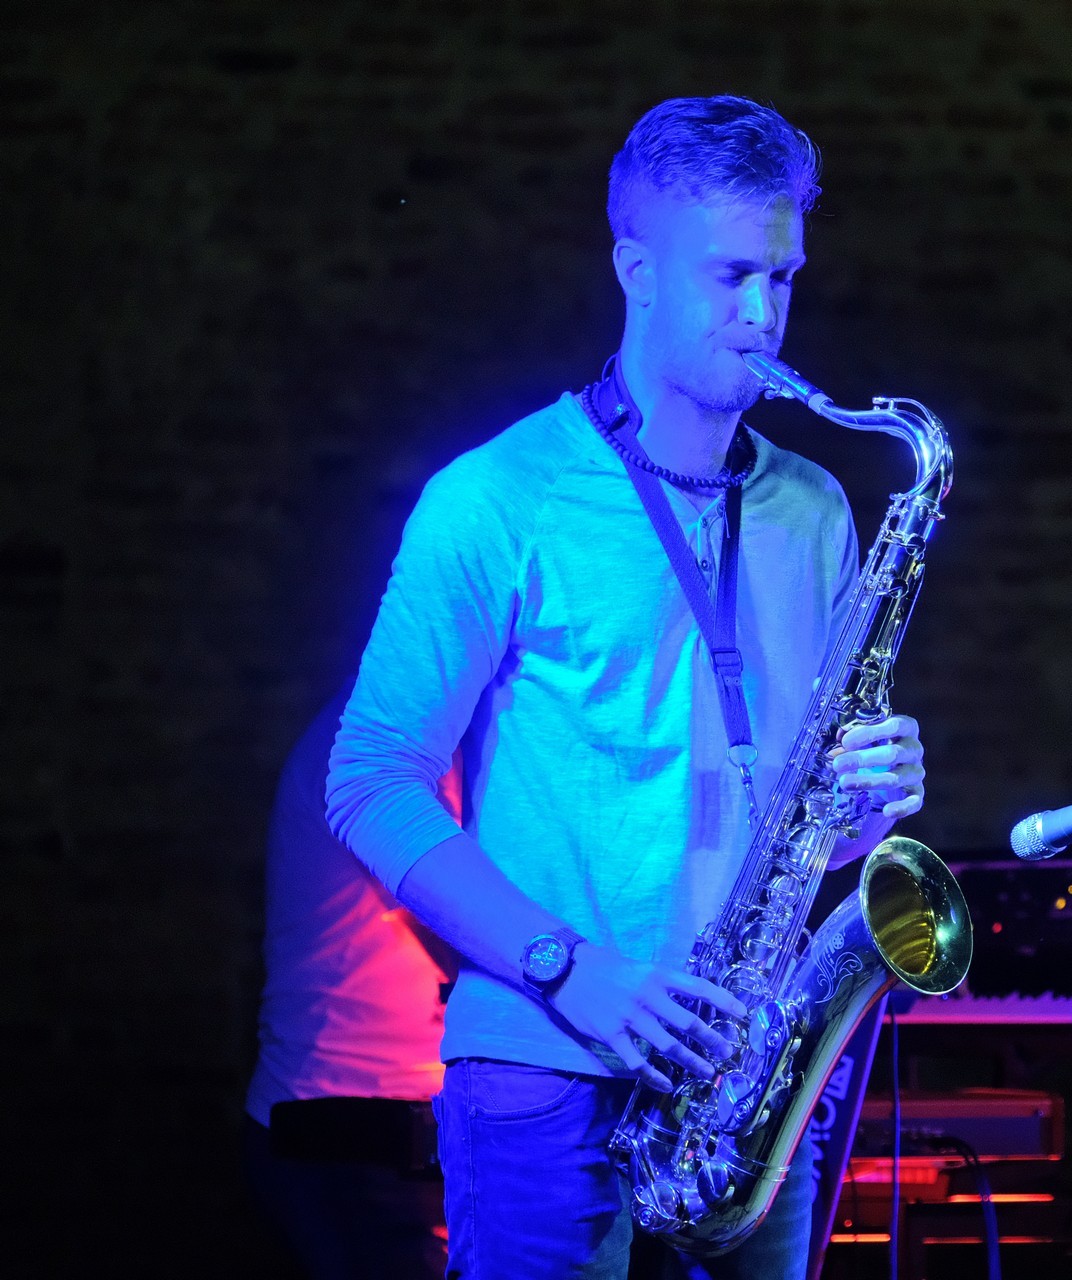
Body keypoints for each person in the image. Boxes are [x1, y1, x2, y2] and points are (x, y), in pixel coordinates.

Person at [325, 95, 929, 1280]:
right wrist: (570, 966)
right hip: (546, 1063)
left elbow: (808, 825)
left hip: (747, 1082)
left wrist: (868, 802)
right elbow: (369, 781)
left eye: (783, 277)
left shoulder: (814, 509)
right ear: (636, 271)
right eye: (731, 275)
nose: (764, 313)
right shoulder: (497, 496)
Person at [246, 689, 459, 1279]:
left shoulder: (443, 735)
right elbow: (459, 931)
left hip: (390, 1141)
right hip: (349, 1141)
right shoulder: (378, 736)